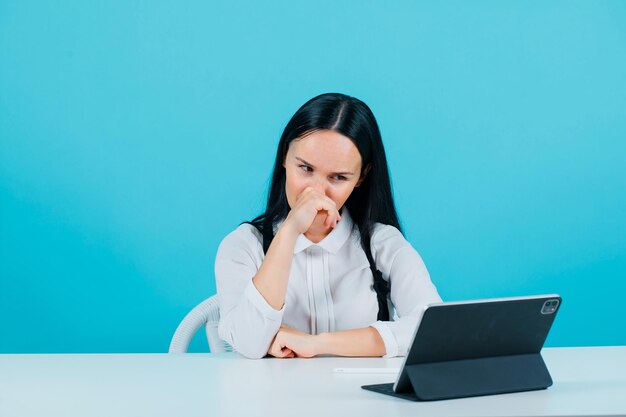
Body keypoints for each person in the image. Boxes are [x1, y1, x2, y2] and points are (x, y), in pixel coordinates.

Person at [215, 93, 441, 359]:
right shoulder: (243, 245)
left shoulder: (382, 244)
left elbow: (433, 329)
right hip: (273, 399)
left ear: (361, 177)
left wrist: (317, 344)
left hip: (362, 399)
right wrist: (289, 231)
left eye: (338, 177)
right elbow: (249, 342)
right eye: (306, 168)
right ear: (285, 158)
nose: (317, 192)